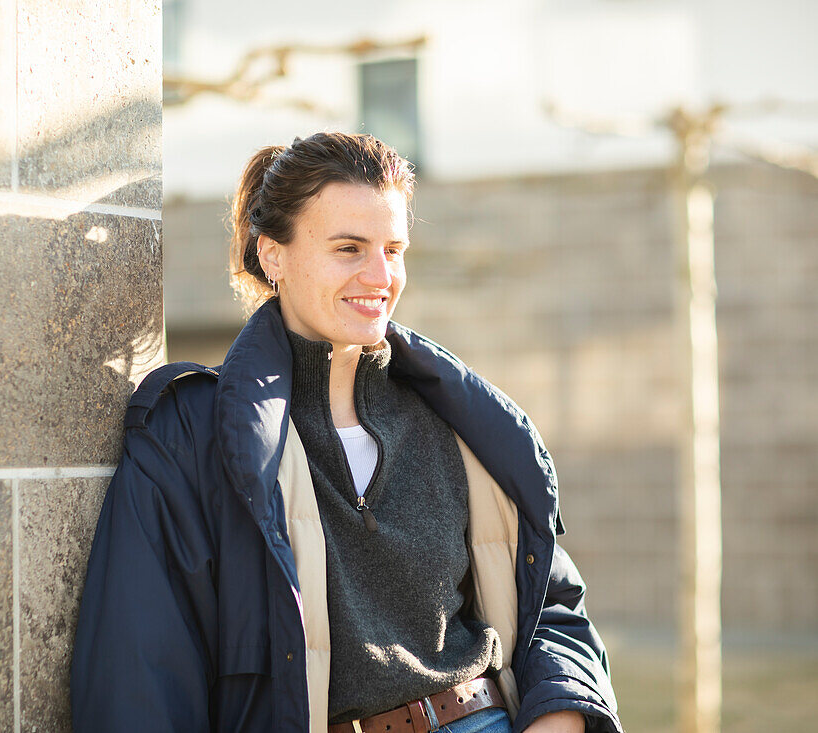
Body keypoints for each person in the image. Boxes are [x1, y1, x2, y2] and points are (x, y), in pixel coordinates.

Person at [70, 132, 621, 733]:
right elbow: (141, 666)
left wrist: (561, 716)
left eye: (393, 248)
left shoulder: (459, 420)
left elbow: (551, 605)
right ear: (272, 255)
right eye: (348, 248)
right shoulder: (189, 432)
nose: (379, 275)